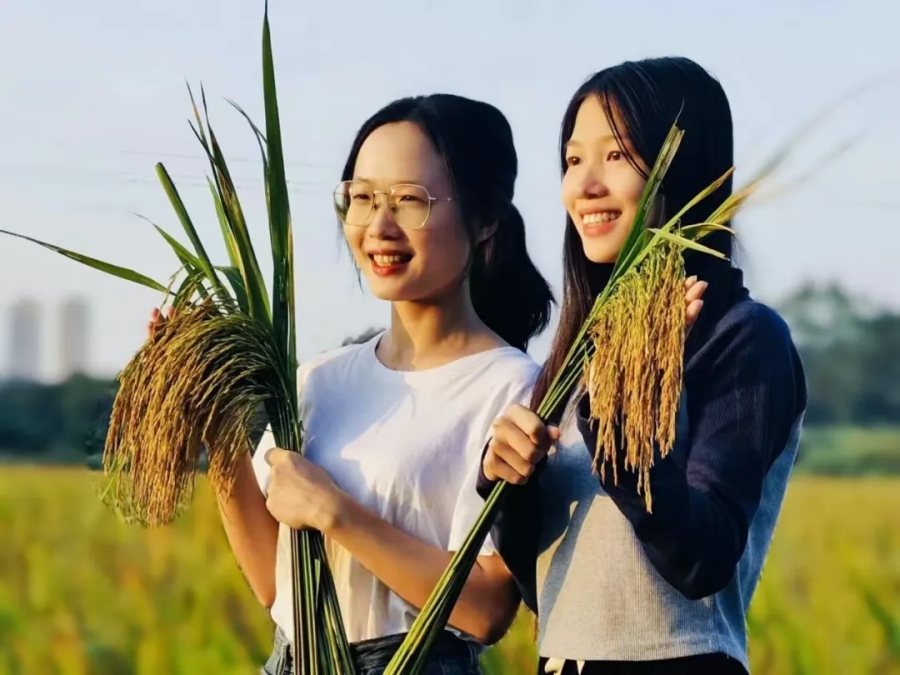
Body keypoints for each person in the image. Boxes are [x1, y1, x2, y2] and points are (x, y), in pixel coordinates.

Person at [153, 93, 554, 674]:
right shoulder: (321, 379)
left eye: (409, 200)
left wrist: (333, 510)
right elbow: (273, 584)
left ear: (486, 218)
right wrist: (213, 419)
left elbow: (488, 607)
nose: (378, 226)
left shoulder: (513, 389)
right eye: (362, 198)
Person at [478, 57, 808, 675]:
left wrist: (624, 422)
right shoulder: (581, 352)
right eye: (573, 160)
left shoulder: (743, 337)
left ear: (688, 167)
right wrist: (507, 486)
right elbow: (544, 586)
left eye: (618, 155)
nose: (585, 186)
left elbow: (701, 559)